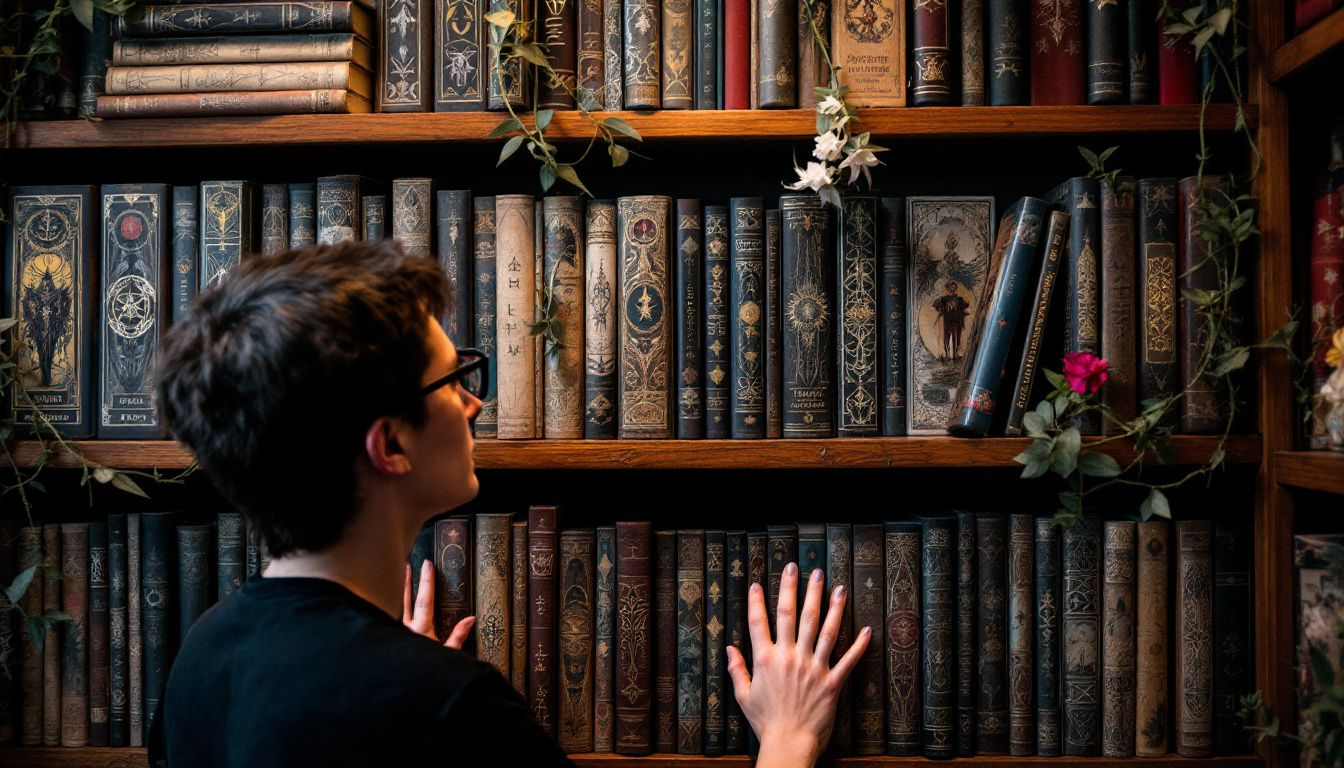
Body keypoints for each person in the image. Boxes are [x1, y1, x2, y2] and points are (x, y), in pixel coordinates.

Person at [150, 239, 869, 767]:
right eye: (454, 379)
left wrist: (389, 671)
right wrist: (788, 738)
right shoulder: (452, 711)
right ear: (390, 445)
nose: (475, 401)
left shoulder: (201, 658)